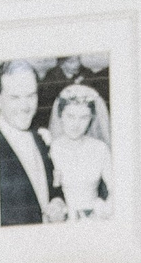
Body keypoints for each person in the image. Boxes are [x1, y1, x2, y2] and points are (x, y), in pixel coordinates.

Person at [0, 59, 64, 226]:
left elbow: (53, 187)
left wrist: (57, 201)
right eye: (15, 97)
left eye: (31, 95)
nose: (25, 106)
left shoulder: (41, 138)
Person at [45, 78, 111, 220]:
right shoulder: (51, 149)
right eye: (70, 116)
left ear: (92, 118)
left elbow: (117, 189)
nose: (76, 124)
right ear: (60, 115)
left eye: (84, 117)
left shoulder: (100, 149)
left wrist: (105, 209)